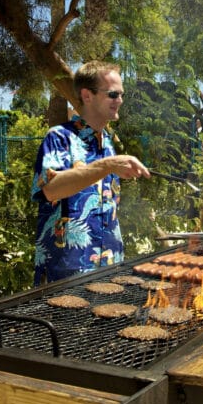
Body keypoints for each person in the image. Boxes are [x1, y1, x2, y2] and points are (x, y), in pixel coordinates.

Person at [32, 61, 150, 285]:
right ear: (87, 96)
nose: (120, 101)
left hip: (110, 268)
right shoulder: (59, 137)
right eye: (113, 94)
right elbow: (51, 189)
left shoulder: (107, 144)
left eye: (121, 95)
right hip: (67, 274)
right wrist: (107, 165)